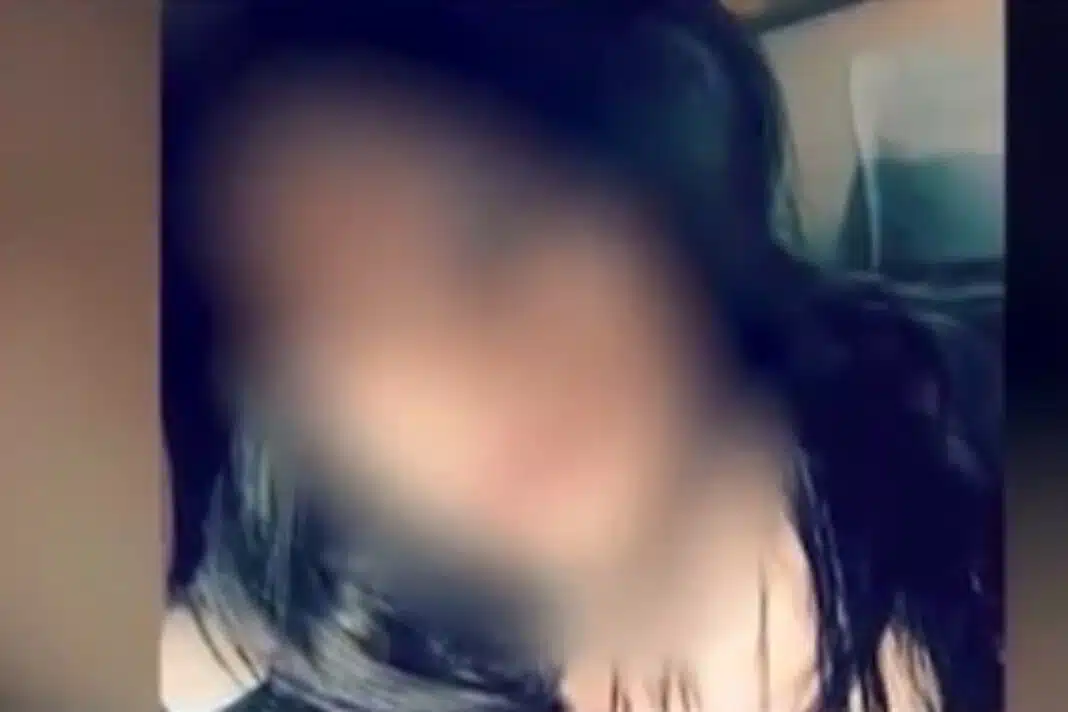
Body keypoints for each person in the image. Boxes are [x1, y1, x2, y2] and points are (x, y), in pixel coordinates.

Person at [160, 2, 1002, 711]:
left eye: (490, 233)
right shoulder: (391, 649)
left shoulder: (975, 448)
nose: (460, 384)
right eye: (350, 347)